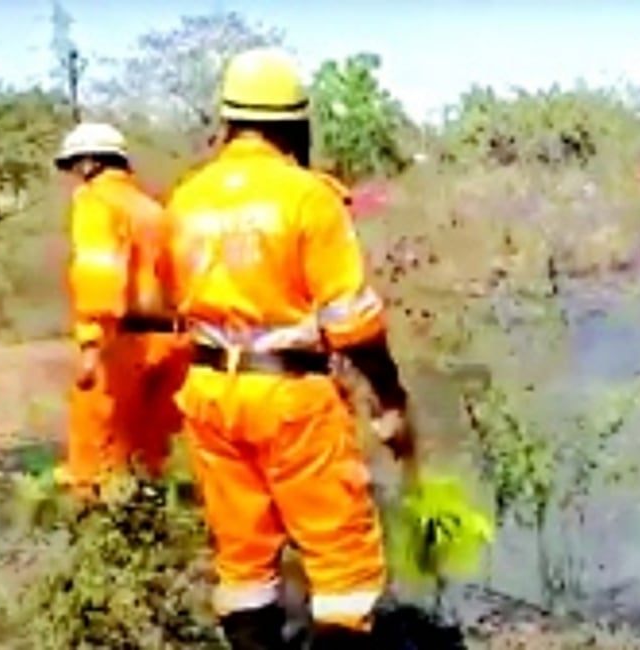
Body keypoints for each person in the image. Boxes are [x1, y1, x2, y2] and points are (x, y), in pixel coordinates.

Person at [160, 47, 416, 650]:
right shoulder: (308, 196)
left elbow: (172, 304)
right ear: (296, 122)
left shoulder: (185, 199)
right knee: (341, 565)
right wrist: (390, 398)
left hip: (210, 394)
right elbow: (352, 322)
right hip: (290, 398)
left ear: (225, 121)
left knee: (243, 561)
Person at [53, 122, 189, 498]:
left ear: (89, 164)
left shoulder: (96, 201)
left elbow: (99, 274)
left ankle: (99, 539)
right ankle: (156, 535)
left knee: (96, 458)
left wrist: (91, 343)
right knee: (150, 457)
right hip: (172, 341)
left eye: (73, 167)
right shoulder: (152, 209)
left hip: (122, 344)